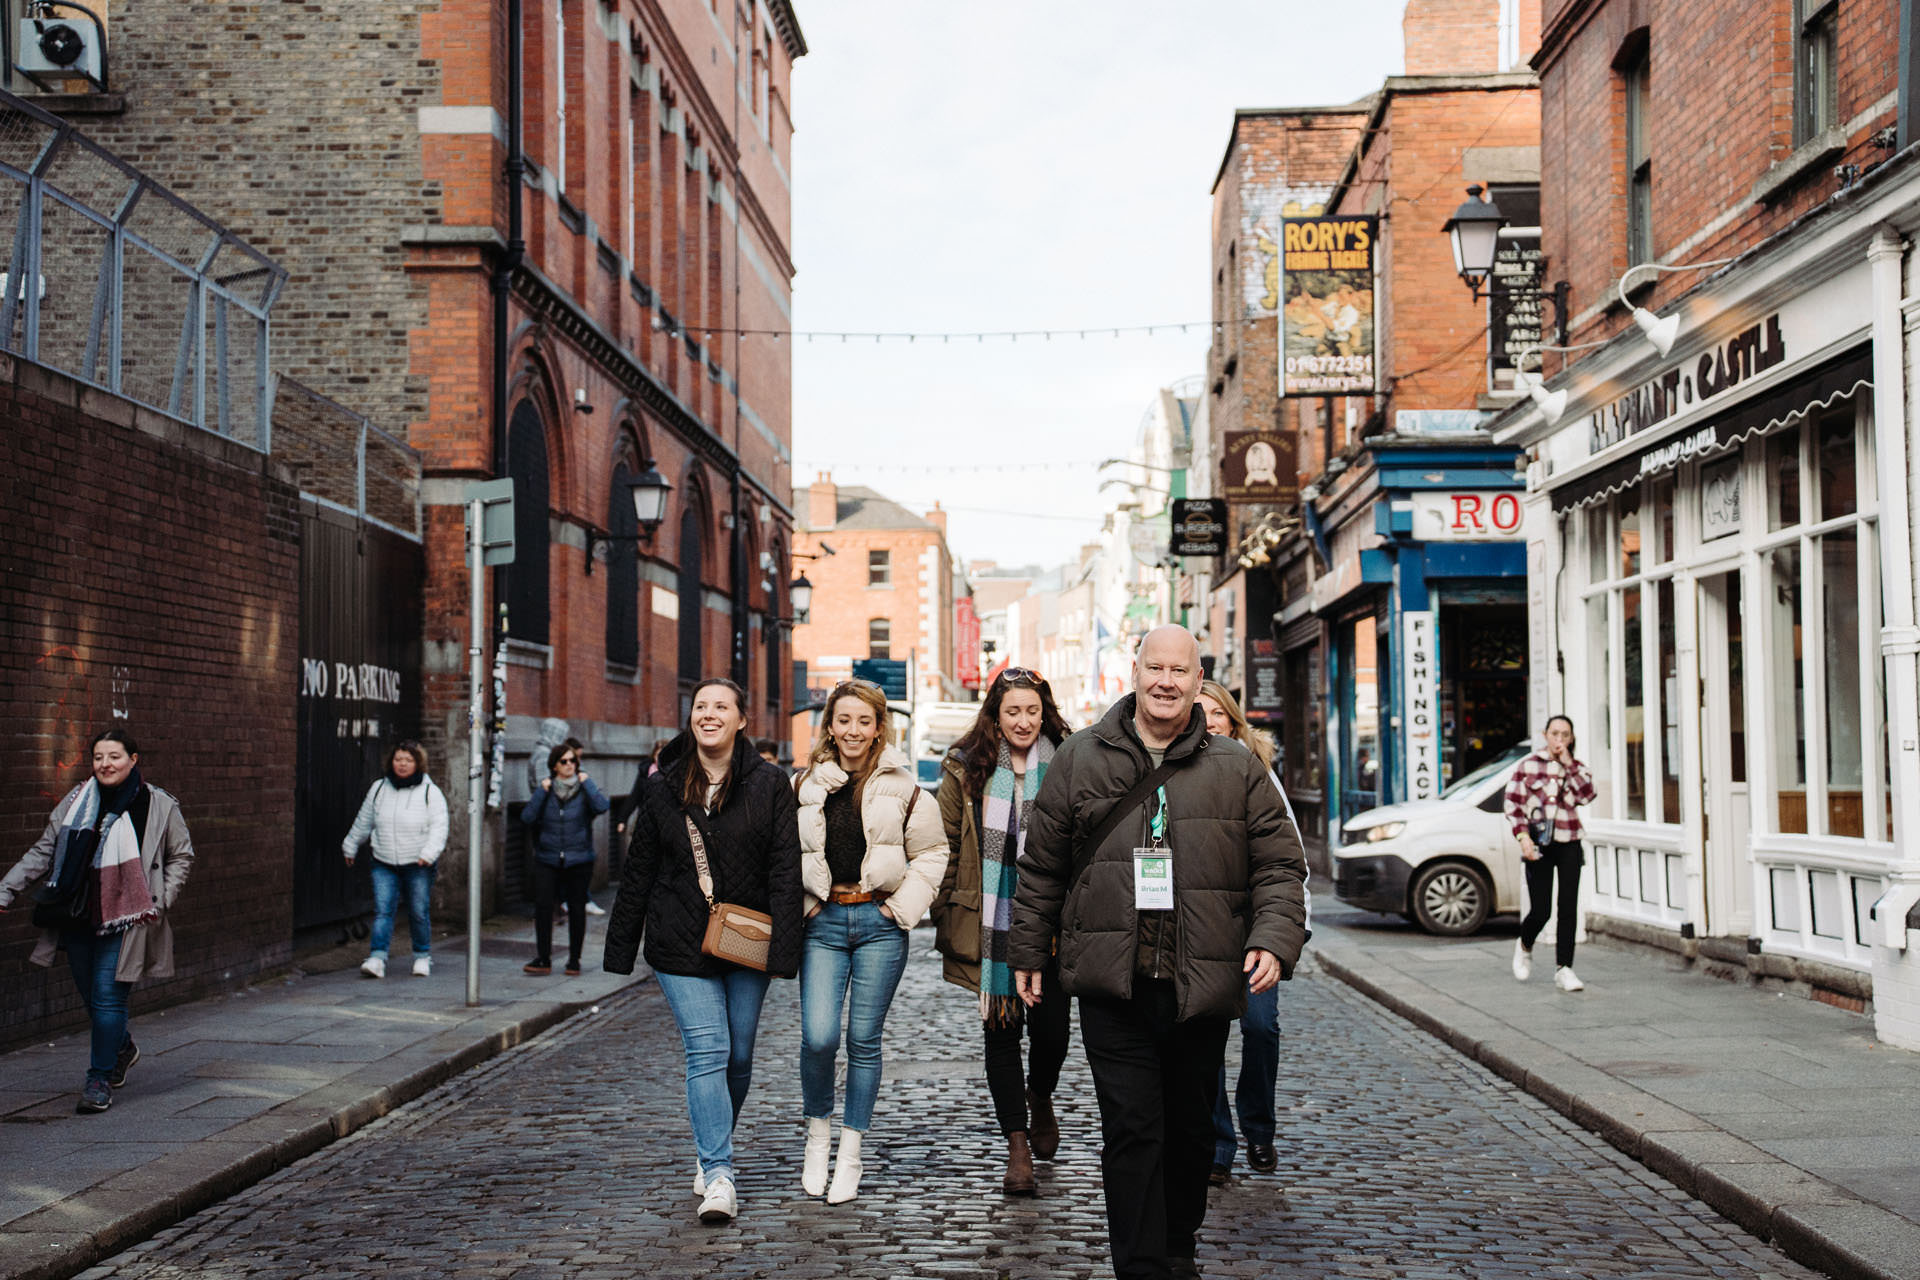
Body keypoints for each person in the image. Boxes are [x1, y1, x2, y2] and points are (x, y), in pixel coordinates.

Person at [1011, 626, 1309, 1280]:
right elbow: (1041, 867)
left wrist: (1273, 940)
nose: (1166, 681)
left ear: (1199, 682)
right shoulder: (1082, 757)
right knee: (1131, 1130)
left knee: (1190, 1132)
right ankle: (1143, 1266)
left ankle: (1178, 1242)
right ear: (1136, 671)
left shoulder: (1235, 767)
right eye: (1156, 667)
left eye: (1180, 670)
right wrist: (1028, 950)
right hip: (1111, 984)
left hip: (1197, 984)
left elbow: (1282, 867)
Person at [605, 678, 802, 1225]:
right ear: (689, 718)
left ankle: (710, 1142)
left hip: (746, 941)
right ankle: (719, 1173)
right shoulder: (664, 785)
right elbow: (639, 869)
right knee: (709, 1050)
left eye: (721, 707)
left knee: (738, 1058)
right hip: (678, 940)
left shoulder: (769, 784)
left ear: (742, 720)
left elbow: (786, 871)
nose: (708, 715)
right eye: (699, 706)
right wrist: (621, 948)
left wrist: (785, 950)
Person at [795, 678, 948, 1205]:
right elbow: (786, 854)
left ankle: (852, 1150)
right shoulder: (806, 785)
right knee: (818, 1037)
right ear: (830, 726)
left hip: (879, 927)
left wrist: (900, 909)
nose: (853, 730)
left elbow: (932, 854)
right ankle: (818, 1135)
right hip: (824, 923)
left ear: (879, 727)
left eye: (864, 721)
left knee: (863, 1040)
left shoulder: (905, 787)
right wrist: (806, 904)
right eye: (844, 720)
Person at [931, 667, 1073, 1196]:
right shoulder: (966, 768)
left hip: (1053, 922)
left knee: (1053, 1032)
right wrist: (945, 912)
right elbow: (944, 843)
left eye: (1032, 711)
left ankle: (1041, 1094)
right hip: (991, 923)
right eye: (1012, 711)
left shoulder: (1068, 760)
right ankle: (1017, 1145)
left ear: (1044, 712)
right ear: (995, 714)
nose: (1023, 721)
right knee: (1001, 1033)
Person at [0, 730, 195, 1114]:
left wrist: (159, 902)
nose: (106, 764)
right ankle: (122, 1046)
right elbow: (44, 850)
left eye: (115, 756)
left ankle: (98, 1079)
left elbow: (181, 856)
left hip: (126, 917)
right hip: (78, 915)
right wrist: (7, 888)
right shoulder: (76, 802)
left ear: (133, 759)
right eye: (98, 757)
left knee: (107, 999)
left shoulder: (157, 805)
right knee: (92, 998)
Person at [1194, 679, 1296, 1186]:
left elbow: (1285, 856)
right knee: (1206, 1037)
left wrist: (1283, 934)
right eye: (1201, 712)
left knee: (1260, 1028)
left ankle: (1259, 1127)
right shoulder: (1178, 769)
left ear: (1233, 721)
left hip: (1255, 931)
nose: (1210, 721)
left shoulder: (1259, 774)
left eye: (1218, 713)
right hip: (1201, 933)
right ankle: (1217, 1144)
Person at [1504, 715, 1598, 992]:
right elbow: (1512, 804)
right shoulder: (1529, 765)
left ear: (1571, 738)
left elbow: (1587, 795)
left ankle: (1564, 968)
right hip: (1538, 844)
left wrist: (1568, 763)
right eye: (1555, 733)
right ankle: (1524, 943)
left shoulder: (1577, 767)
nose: (1559, 739)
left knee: (1568, 906)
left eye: (1565, 735)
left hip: (1569, 840)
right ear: (1545, 734)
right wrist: (1522, 838)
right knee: (1541, 910)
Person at [342, 739, 450, 979]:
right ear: (391, 762)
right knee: (383, 910)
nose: (402, 764)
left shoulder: (430, 792)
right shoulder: (379, 788)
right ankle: (377, 958)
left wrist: (429, 854)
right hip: (384, 860)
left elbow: (439, 826)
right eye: (398, 759)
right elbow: (364, 820)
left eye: (408, 760)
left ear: (418, 763)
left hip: (418, 863)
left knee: (418, 910)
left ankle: (422, 956)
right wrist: (350, 845)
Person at [520, 740, 610, 976]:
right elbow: (527, 817)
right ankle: (543, 958)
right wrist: (542, 790)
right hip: (548, 858)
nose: (570, 765)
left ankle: (574, 960)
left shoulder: (584, 790)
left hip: (579, 859)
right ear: (554, 766)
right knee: (543, 908)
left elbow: (602, 806)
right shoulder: (546, 791)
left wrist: (587, 782)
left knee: (577, 909)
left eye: (573, 761)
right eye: (564, 761)